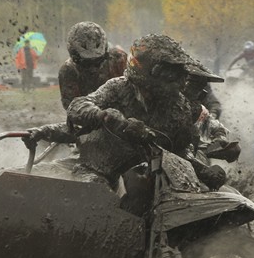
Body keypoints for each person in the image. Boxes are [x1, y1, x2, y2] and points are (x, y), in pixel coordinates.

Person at [25, 34, 228, 191]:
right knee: (92, 192)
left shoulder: (179, 106)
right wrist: (103, 116)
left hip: (148, 178)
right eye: (169, 72)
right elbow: (78, 106)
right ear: (150, 70)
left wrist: (209, 163)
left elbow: (181, 148)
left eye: (178, 73)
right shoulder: (118, 88)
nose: (179, 81)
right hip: (100, 171)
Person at [58, 21, 128, 110]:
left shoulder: (119, 59)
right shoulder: (68, 71)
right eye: (87, 64)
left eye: (98, 62)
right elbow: (73, 108)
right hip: (90, 118)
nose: (93, 69)